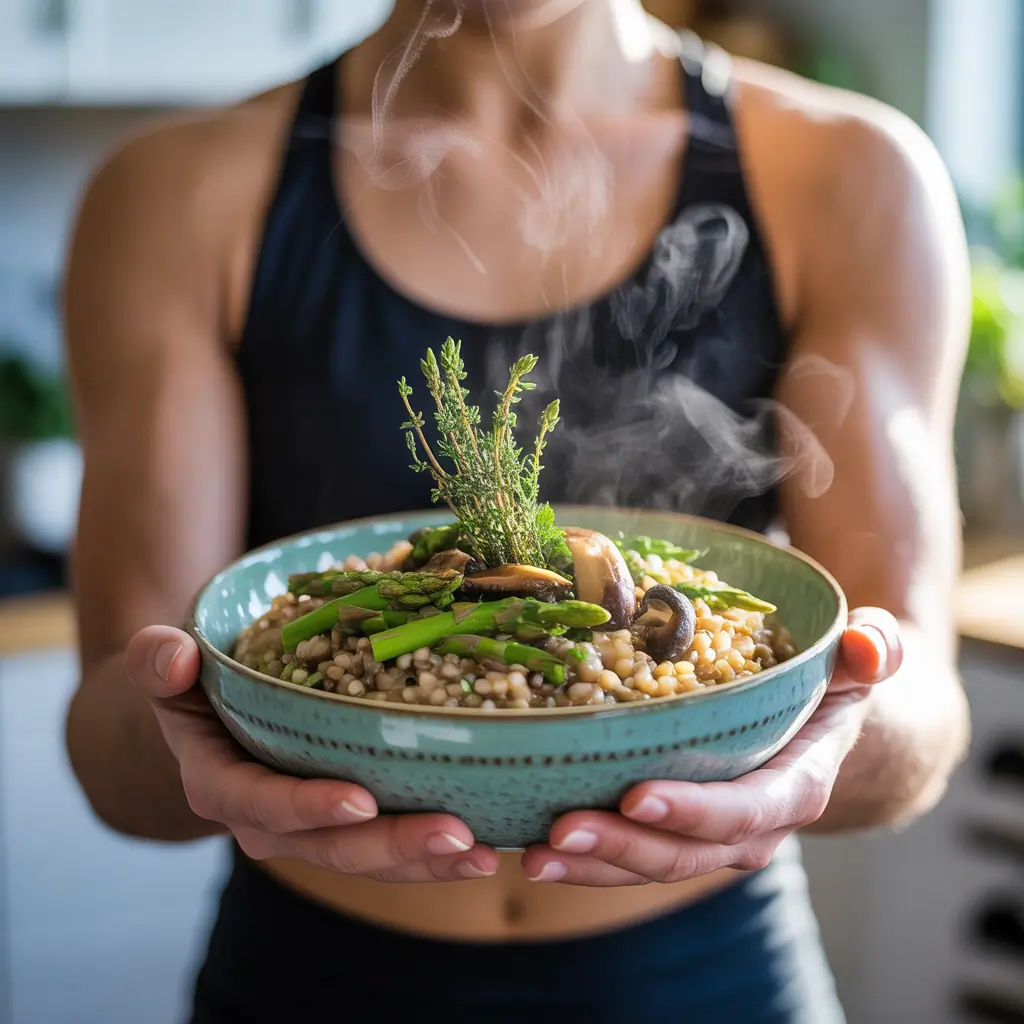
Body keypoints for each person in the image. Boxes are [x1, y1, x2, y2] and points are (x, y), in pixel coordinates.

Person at [63, 1, 971, 1021]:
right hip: (312, 974)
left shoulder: (849, 175)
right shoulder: (177, 193)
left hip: (708, 973)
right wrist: (202, 730)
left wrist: (836, 736)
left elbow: (919, 705)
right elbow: (114, 734)